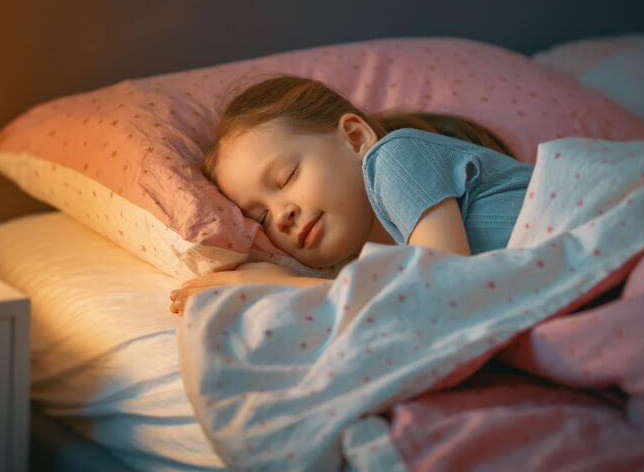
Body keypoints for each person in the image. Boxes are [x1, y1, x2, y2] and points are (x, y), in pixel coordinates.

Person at [169, 75, 533, 313]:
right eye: (261, 218)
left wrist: (285, 286)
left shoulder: (396, 156)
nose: (281, 216)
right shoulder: (365, 270)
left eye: (286, 177)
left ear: (355, 138)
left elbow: (443, 292)